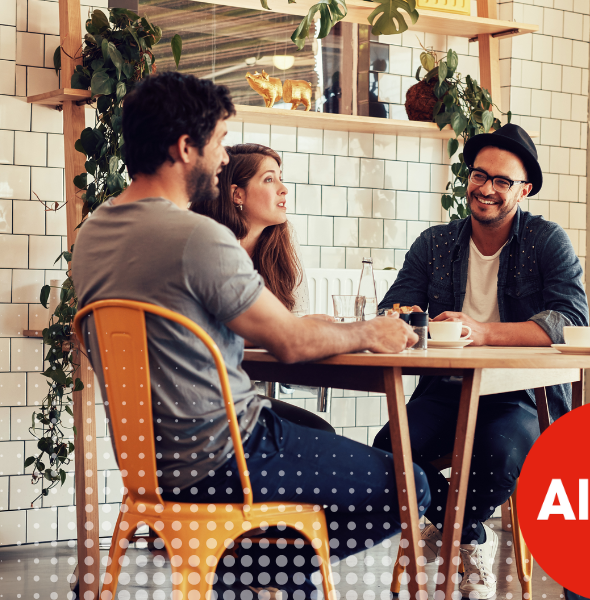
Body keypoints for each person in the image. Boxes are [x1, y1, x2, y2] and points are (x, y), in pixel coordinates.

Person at [70, 71, 427, 599]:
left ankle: (243, 572)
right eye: (218, 143)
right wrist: (370, 331)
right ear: (185, 147)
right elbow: (291, 344)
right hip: (229, 454)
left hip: (152, 463)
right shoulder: (197, 237)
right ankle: (239, 573)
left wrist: (315, 327)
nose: (222, 159)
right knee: (410, 486)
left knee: (316, 440)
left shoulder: (93, 233)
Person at [372, 123, 589, 599]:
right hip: (447, 388)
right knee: (389, 447)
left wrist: (483, 331)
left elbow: (570, 319)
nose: (486, 188)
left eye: (502, 181)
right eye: (478, 175)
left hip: (522, 395)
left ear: (524, 190)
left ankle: (446, 532)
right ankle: (469, 537)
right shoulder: (435, 243)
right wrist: (411, 318)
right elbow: (394, 308)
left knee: (498, 455)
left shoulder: (546, 241)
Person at [190, 142, 335, 433]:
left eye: (281, 178)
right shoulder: (204, 243)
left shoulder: (283, 239)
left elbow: (296, 315)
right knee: (320, 433)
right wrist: (283, 331)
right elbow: (200, 334)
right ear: (237, 194)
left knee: (319, 430)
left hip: (241, 391)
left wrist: (295, 327)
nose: (284, 189)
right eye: (269, 179)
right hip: (201, 395)